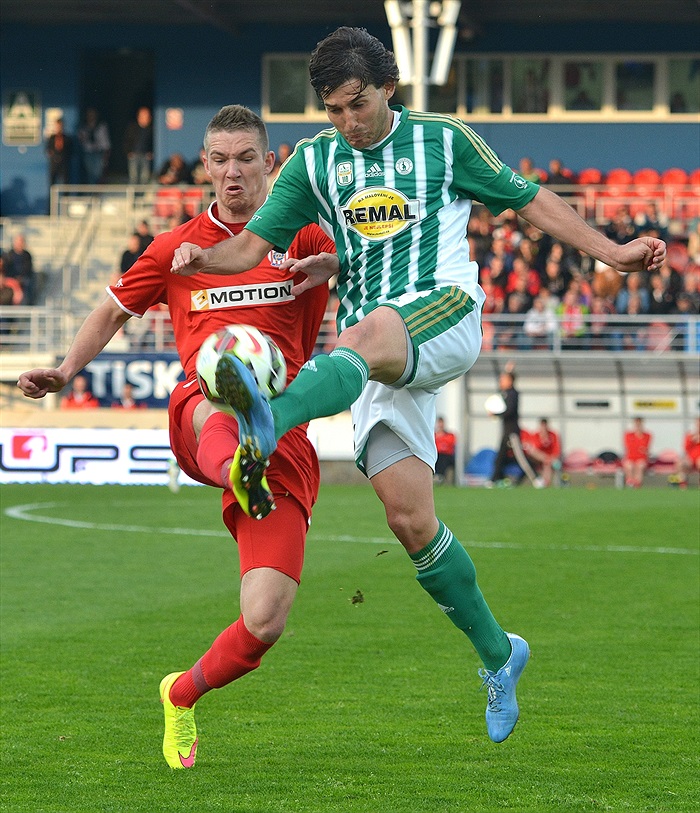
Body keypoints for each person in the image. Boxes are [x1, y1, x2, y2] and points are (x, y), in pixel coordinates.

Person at [170, 27, 666, 745]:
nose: (347, 120)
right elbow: (251, 247)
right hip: (378, 354)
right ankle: (500, 654)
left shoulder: (444, 141)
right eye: (333, 109)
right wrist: (202, 257)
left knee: (361, 336)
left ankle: (267, 420)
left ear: (388, 87)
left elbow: (529, 200)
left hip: (443, 310)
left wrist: (614, 254)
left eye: (357, 104)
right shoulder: (314, 162)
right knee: (409, 520)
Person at [18, 104, 335, 771]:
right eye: (219, 160)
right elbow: (110, 308)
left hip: (286, 433)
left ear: (271, 163)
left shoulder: (303, 237)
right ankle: (236, 462)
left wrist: (332, 263)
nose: (232, 173)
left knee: (264, 620)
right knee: (216, 389)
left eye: (246, 157)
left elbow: (360, 259)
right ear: (204, 168)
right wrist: (66, 370)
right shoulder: (175, 248)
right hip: (203, 418)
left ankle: (181, 692)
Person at [486, 369, 543, 488]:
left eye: (504, 379)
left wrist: (496, 414)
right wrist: (507, 370)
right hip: (505, 432)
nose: (501, 381)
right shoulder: (504, 393)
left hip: (512, 432)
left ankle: (536, 478)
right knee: (500, 458)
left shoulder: (513, 394)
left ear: (510, 381)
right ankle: (494, 479)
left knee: (520, 457)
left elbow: (509, 411)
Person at [523, 418, 561, 486]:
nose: (543, 428)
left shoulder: (553, 435)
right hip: (537, 458)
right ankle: (543, 482)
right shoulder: (535, 435)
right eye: (542, 426)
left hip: (550, 458)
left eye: (545, 426)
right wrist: (542, 438)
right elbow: (534, 449)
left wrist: (552, 457)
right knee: (536, 453)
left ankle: (545, 483)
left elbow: (556, 448)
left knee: (547, 463)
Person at [78, 107, 111, 184]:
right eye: (89, 115)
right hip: (88, 153)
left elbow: (106, 143)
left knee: (98, 173)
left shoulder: (101, 126)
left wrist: (106, 154)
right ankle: (91, 192)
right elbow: (81, 140)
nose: (91, 116)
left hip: (99, 153)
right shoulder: (84, 127)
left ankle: (97, 192)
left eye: (92, 115)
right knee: (90, 174)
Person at [124, 106, 154, 185]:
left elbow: (153, 143)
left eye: (147, 116)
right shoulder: (132, 127)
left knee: (144, 177)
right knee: (133, 177)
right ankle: (132, 195)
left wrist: (150, 152)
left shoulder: (152, 129)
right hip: (134, 155)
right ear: (138, 117)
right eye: (143, 116)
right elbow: (127, 140)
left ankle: (142, 196)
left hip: (145, 156)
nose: (145, 118)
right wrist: (128, 152)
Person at [4, 233, 35, 305]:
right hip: (11, 279)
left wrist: (20, 278)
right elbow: (7, 268)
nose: (19, 244)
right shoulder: (9, 254)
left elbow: (28, 269)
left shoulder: (27, 255)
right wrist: (14, 279)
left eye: (21, 242)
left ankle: (27, 306)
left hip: (23, 278)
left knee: (27, 284)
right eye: (18, 242)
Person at [623, 416, 652, 488]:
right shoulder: (628, 435)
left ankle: (637, 484)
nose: (638, 426)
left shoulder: (647, 435)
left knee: (640, 465)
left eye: (639, 424)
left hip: (641, 458)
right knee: (629, 465)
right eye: (636, 424)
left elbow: (645, 448)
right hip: (631, 457)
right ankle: (630, 483)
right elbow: (630, 446)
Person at [45, 117, 73, 186]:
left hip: (64, 163)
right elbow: (48, 150)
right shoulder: (51, 138)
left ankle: (65, 196)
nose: (59, 127)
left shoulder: (67, 138)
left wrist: (63, 157)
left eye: (60, 125)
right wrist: (53, 155)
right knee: (52, 182)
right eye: (57, 125)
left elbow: (71, 151)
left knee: (65, 181)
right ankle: (51, 196)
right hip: (54, 163)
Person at [434, 417, 456, 484]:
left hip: (447, 456)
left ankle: (440, 476)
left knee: (443, 458)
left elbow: (448, 446)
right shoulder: (434, 435)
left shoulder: (450, 435)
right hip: (437, 455)